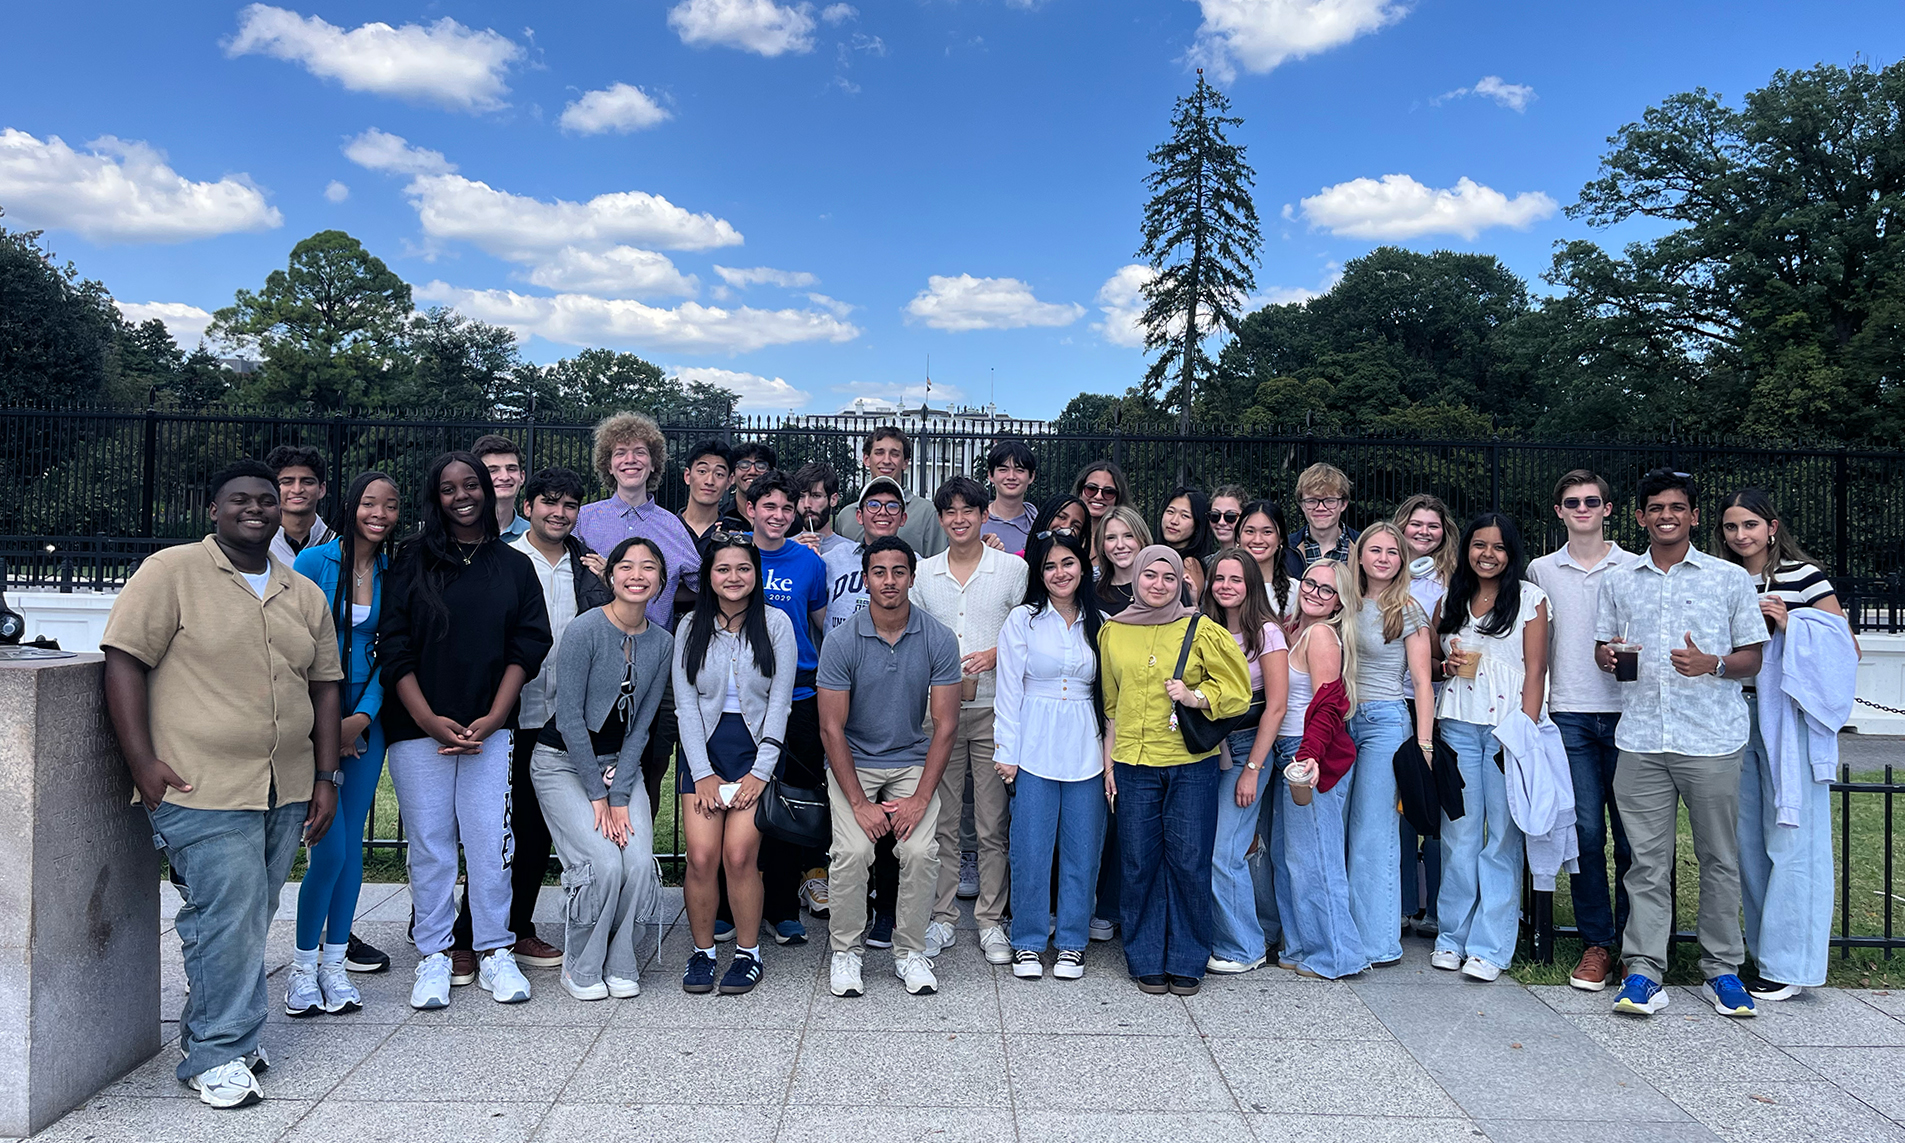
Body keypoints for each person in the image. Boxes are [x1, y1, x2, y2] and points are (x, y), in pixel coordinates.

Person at [102, 458, 343, 1108]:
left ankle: (233, 1031)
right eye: (240, 499)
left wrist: (325, 775)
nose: (256, 508)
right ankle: (214, 1051)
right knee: (225, 912)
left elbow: (324, 689)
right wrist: (141, 761)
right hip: (198, 780)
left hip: (284, 784)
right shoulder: (171, 572)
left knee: (251, 913)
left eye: (266, 499)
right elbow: (123, 659)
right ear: (214, 509)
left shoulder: (303, 592)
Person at [380, 451, 552, 1010]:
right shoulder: (410, 560)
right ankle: (433, 953)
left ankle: (494, 949)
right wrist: (428, 719)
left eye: (471, 484)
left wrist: (498, 715)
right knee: (430, 845)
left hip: (490, 729)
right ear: (437, 495)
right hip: (418, 729)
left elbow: (528, 644)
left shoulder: (514, 565)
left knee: (490, 844)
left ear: (486, 490)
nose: (463, 495)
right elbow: (395, 645)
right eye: (449, 487)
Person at [1595, 468, 1768, 1019]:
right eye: (1655, 508)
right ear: (1640, 516)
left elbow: (1752, 657)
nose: (1666, 516)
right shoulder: (1619, 579)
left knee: (1720, 858)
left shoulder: (1728, 578)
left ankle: (1723, 971)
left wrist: (1712, 664)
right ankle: (1644, 971)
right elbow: (1607, 646)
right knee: (1645, 864)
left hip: (1712, 740)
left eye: (1677, 507)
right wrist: (1607, 656)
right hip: (1641, 739)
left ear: (1693, 516)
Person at [449, 467, 614, 971]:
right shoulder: (502, 559)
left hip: (566, 719)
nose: (558, 512)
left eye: (568, 505)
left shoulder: (588, 568)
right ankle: (465, 935)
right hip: (509, 711)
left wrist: (608, 582)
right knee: (495, 830)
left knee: (538, 831)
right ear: (528, 507)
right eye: (548, 502)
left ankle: (517, 927)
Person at [1715, 488, 1854, 1002]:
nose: (1740, 535)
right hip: (1736, 712)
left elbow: (1844, 645)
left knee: (1793, 839)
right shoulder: (1721, 576)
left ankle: (1791, 963)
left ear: (1772, 526)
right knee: (1748, 841)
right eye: (1731, 527)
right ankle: (1763, 953)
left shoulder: (1802, 575)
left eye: (1750, 525)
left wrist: (1790, 622)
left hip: (1788, 717)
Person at [1099, 546, 1251, 996]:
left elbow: (1237, 691)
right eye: (1151, 576)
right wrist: (1109, 763)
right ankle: (1145, 957)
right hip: (1132, 763)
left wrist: (1194, 697)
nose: (1159, 584)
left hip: (1190, 765)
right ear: (1136, 578)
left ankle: (1187, 958)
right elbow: (1111, 705)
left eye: (1169, 577)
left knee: (1187, 861)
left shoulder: (1201, 628)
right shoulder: (1113, 632)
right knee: (1139, 861)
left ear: (1181, 582)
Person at [818, 536, 963, 998]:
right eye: (879, 572)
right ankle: (846, 951)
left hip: (911, 762)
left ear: (912, 578)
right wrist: (859, 805)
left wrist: (921, 798)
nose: (889, 581)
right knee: (854, 851)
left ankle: (910, 951)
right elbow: (830, 730)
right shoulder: (843, 640)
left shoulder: (938, 637)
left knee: (920, 852)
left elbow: (945, 726)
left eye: (899, 572)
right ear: (866, 578)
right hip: (855, 761)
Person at [537, 537, 671, 1000]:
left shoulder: (663, 642)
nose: (637, 574)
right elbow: (570, 718)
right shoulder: (584, 630)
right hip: (561, 763)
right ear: (610, 575)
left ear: (660, 581)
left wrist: (618, 797)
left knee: (635, 862)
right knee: (601, 863)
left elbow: (642, 729)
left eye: (648, 567)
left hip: (620, 769)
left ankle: (622, 959)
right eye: (627, 566)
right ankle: (581, 964)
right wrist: (599, 797)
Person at [287, 471, 400, 1016]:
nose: (379, 513)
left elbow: (390, 650)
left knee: (350, 842)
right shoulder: (313, 564)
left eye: (391, 505)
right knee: (326, 844)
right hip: (314, 713)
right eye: (370, 502)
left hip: (366, 718)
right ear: (352, 505)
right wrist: (327, 725)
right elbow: (293, 648)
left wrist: (362, 718)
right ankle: (302, 969)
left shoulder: (390, 571)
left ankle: (334, 964)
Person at [913, 476, 1030, 965]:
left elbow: (1027, 632)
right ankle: (941, 918)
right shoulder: (924, 572)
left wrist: (993, 652)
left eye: (968, 510)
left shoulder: (1011, 569)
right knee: (939, 819)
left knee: (990, 821)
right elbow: (916, 639)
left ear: (985, 515)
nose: (959, 519)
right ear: (940, 519)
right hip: (938, 714)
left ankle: (989, 918)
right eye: (950, 511)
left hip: (992, 710)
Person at [673, 532, 795, 996]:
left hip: (755, 751)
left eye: (743, 568)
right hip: (703, 751)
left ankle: (748, 954)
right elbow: (684, 705)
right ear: (708, 575)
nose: (733, 577)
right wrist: (700, 772)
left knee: (739, 855)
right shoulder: (689, 627)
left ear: (756, 574)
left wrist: (760, 773)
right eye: (723, 569)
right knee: (702, 857)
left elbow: (781, 703)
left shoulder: (776, 623)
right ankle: (703, 952)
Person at [1525, 472, 1634, 991]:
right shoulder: (1541, 570)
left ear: (1609, 508)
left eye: (1593, 500)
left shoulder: (1635, 565)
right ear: (1559, 511)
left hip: (1629, 713)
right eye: (1573, 502)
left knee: (1635, 837)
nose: (1583, 508)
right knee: (1586, 833)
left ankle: (1639, 946)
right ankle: (1598, 943)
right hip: (1568, 712)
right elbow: (1537, 649)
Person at [1431, 513, 1549, 982]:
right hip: (1457, 725)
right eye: (1479, 545)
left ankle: (1490, 947)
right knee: (1459, 836)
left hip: (1506, 731)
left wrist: (1526, 730)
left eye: (1498, 547)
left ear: (1511, 552)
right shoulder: (1451, 599)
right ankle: (1450, 937)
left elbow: (1536, 670)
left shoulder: (1530, 601)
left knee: (1501, 837)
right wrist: (1445, 665)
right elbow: (1438, 663)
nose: (1487, 554)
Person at [995, 528, 1107, 979]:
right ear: (1039, 573)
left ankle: (1073, 941)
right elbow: (1007, 691)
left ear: (1083, 567)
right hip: (1033, 741)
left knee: (1083, 848)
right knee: (1030, 848)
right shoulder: (1023, 619)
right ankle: (1027, 939)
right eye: (1050, 565)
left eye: (1068, 563)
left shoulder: (1101, 622)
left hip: (1085, 741)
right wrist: (1007, 750)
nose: (1060, 573)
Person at [574, 412, 697, 817]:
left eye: (639, 452)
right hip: (596, 662)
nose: (630, 459)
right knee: (595, 760)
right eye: (620, 452)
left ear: (653, 463)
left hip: (654, 664)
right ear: (608, 464)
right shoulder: (585, 520)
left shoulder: (672, 527)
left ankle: (639, 847)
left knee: (651, 763)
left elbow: (701, 584)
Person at [738, 470, 831, 946]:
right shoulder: (735, 558)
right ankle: (730, 901)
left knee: (789, 799)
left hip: (798, 696)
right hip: (743, 700)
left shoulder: (809, 563)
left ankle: (780, 903)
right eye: (768, 507)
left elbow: (817, 626)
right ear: (750, 509)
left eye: (786, 509)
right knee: (739, 798)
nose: (777, 516)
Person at [818, 476, 910, 944]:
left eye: (891, 505)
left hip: (889, 694)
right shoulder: (831, 558)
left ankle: (887, 909)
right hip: (841, 682)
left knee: (892, 819)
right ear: (857, 514)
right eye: (872, 504)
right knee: (848, 813)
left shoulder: (912, 565)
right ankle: (841, 902)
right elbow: (816, 609)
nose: (881, 511)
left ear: (903, 515)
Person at [1345, 523, 1436, 968]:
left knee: (1374, 832)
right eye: (1374, 550)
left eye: (1392, 552)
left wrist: (1423, 745)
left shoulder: (1408, 609)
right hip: (1341, 722)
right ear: (1359, 555)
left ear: (1402, 560)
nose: (1382, 558)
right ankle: (1344, 929)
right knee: (1341, 828)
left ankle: (1378, 941)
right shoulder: (1340, 604)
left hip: (1384, 722)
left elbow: (1421, 683)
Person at [1274, 558, 1368, 979]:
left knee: (1317, 858)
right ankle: (1300, 945)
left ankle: (1336, 955)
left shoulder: (1323, 637)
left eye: (1326, 589)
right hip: (1290, 750)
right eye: (1310, 583)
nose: (1313, 591)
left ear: (1339, 601)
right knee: (1294, 857)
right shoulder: (1298, 629)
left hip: (1308, 752)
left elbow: (1330, 706)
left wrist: (1309, 755)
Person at [1200, 549, 1289, 974]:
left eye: (1236, 579)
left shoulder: (1267, 632)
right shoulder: (1204, 628)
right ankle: (1242, 932)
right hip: (1210, 746)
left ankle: (1244, 947)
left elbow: (1276, 706)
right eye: (1219, 578)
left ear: (1251, 584)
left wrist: (1252, 769)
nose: (1226, 587)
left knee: (1225, 851)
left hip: (1250, 746)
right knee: (1225, 848)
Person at [1393, 493, 1460, 940]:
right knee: (1396, 809)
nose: (1423, 532)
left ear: (1444, 532)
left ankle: (1436, 907)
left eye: (1432, 525)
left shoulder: (1455, 580)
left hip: (1441, 700)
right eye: (1415, 524)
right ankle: (1399, 904)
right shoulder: (1383, 572)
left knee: (1435, 806)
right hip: (1391, 700)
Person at [833, 426, 948, 558]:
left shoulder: (928, 513)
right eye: (879, 453)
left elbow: (938, 564)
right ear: (866, 459)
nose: (886, 460)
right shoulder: (846, 516)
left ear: (905, 462)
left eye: (894, 454)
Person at [265, 444, 331, 564]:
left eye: (307, 482)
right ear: (272, 489)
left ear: (321, 489)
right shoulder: (258, 545)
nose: (297, 489)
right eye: (287, 482)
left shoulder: (337, 544)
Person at [1238, 499, 1301, 615]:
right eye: (1250, 531)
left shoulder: (1295, 590)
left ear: (1280, 538)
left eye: (1267, 532)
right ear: (1238, 537)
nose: (1257, 540)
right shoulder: (1224, 585)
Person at [1288, 462, 1358, 566]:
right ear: (1301, 505)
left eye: (1330, 500)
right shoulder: (1285, 549)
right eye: (1312, 501)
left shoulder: (1362, 546)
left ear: (1344, 504)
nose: (1321, 508)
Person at [678, 439, 733, 560]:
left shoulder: (733, 533)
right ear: (687, 476)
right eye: (702, 471)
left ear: (729, 481)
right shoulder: (667, 527)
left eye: (719, 474)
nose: (709, 481)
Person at [1156, 486, 1213, 602]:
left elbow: (1185, 608)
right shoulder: (1154, 553)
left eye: (1185, 516)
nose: (1174, 521)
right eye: (1170, 511)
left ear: (1197, 525)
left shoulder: (1190, 564)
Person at [982, 439, 1039, 554]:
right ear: (990, 475)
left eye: (1019, 470)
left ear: (1031, 476)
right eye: (1003, 470)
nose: (1011, 476)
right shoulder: (974, 522)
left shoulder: (1040, 525)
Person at [471, 434, 531, 540]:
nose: (505, 477)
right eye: (493, 470)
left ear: (522, 477)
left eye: (511, 469)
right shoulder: (459, 533)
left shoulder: (531, 535)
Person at [1096, 506, 1151, 616]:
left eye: (1128, 536)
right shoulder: (1094, 594)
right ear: (1101, 545)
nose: (1120, 545)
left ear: (1143, 539)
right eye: (1111, 538)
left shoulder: (1162, 585)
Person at [793, 461, 854, 559]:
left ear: (833, 500)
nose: (807, 504)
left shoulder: (852, 552)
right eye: (801, 496)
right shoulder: (783, 548)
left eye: (816, 496)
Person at [722, 442, 778, 524]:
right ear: (732, 475)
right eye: (744, 465)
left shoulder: (784, 519)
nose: (752, 471)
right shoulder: (720, 517)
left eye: (761, 466)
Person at [1072, 461, 1131, 531]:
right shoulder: (1064, 532)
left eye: (1108, 492)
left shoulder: (1128, 536)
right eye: (1091, 489)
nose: (1098, 496)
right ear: (1080, 491)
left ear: (1118, 497)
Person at [1209, 484, 1249, 549]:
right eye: (1215, 515)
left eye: (1230, 516)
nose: (1221, 522)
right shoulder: (1207, 559)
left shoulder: (1253, 558)